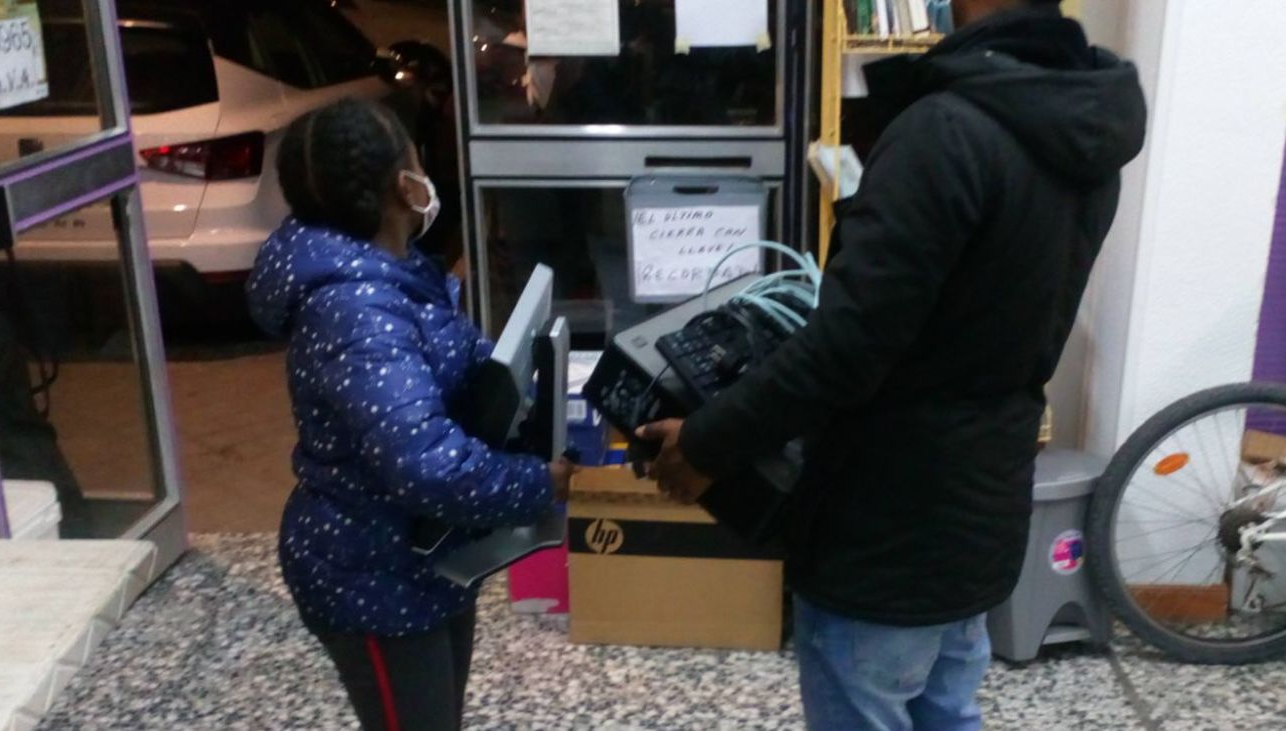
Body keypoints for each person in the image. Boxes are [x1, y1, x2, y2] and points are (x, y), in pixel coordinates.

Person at [639, 1, 1146, 729]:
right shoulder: (1080, 123)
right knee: (946, 707)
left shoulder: (947, 130)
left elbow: (847, 348)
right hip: (982, 503)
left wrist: (709, 440)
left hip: (886, 523)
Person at [246, 98, 573, 731]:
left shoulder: (391, 270)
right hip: (371, 575)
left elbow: (446, 354)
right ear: (405, 185)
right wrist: (536, 485)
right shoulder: (354, 309)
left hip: (423, 557)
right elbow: (424, 464)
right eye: (416, 159)